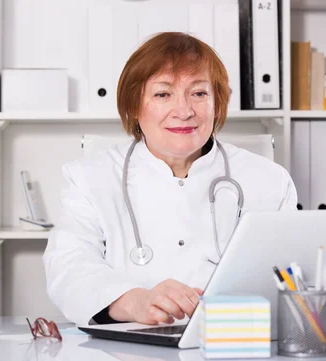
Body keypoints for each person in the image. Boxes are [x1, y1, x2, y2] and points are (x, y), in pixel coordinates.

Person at [43, 32, 297, 327]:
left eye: (199, 93)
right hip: (127, 350)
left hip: (233, 344)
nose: (185, 111)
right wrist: (134, 302)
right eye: (163, 94)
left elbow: (291, 277)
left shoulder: (270, 181)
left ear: (217, 103)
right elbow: (68, 267)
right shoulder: (88, 178)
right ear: (134, 107)